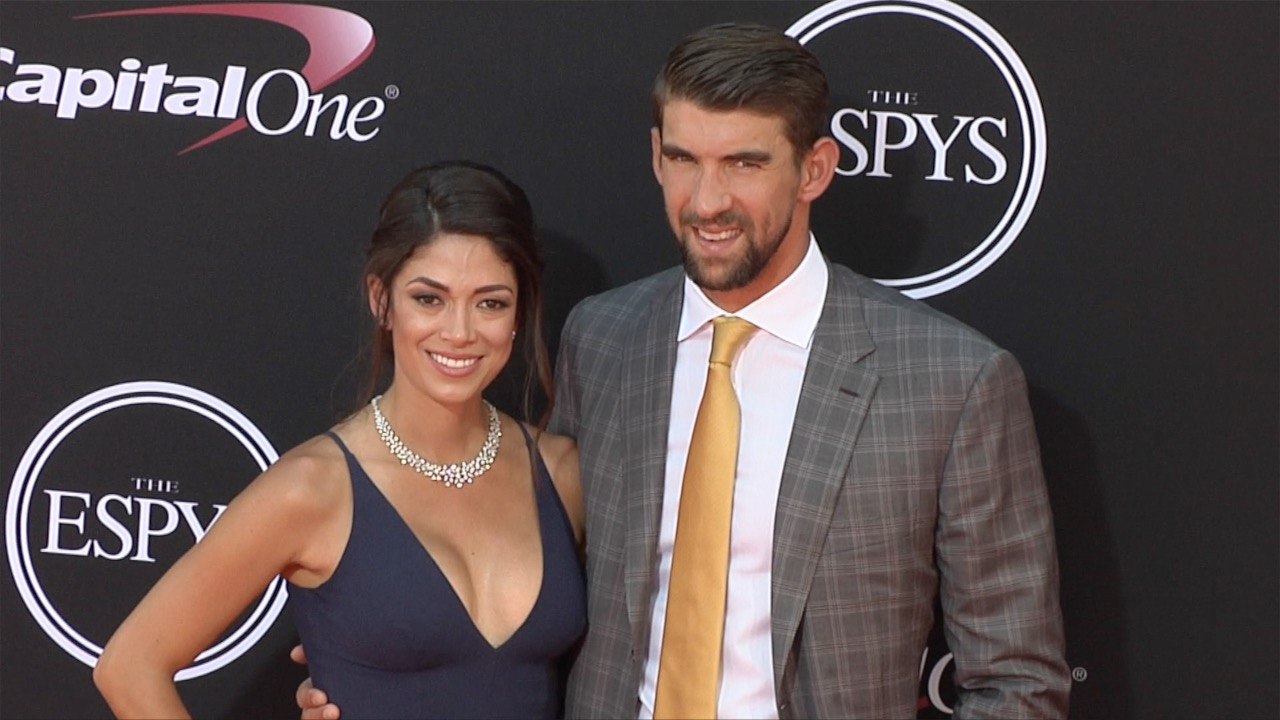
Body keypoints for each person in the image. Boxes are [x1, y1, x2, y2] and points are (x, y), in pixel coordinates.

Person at [300, 22, 1069, 720]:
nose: (707, 200)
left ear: (815, 169)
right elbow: (528, 578)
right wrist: (375, 676)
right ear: (655, 156)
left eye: (744, 163)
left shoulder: (951, 382)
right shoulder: (603, 338)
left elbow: (1017, 684)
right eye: (684, 160)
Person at [94, 161, 585, 720]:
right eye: (429, 299)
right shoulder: (312, 489)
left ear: (519, 311)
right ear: (381, 300)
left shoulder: (561, 474)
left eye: (490, 302)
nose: (460, 331)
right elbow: (129, 666)